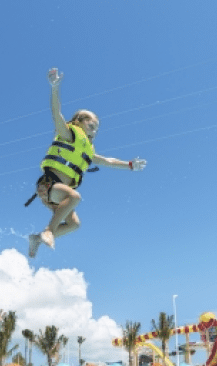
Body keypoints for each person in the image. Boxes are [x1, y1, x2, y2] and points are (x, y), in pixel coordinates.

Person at [26, 68, 147, 258]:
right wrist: (55, 88)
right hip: (49, 184)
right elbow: (56, 114)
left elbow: (108, 161)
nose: (94, 131)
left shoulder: (88, 151)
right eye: (91, 126)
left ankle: (36, 238)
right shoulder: (68, 134)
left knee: (74, 224)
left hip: (58, 194)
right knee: (75, 198)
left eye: (96, 129)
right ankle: (48, 231)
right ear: (79, 122)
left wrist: (129, 165)